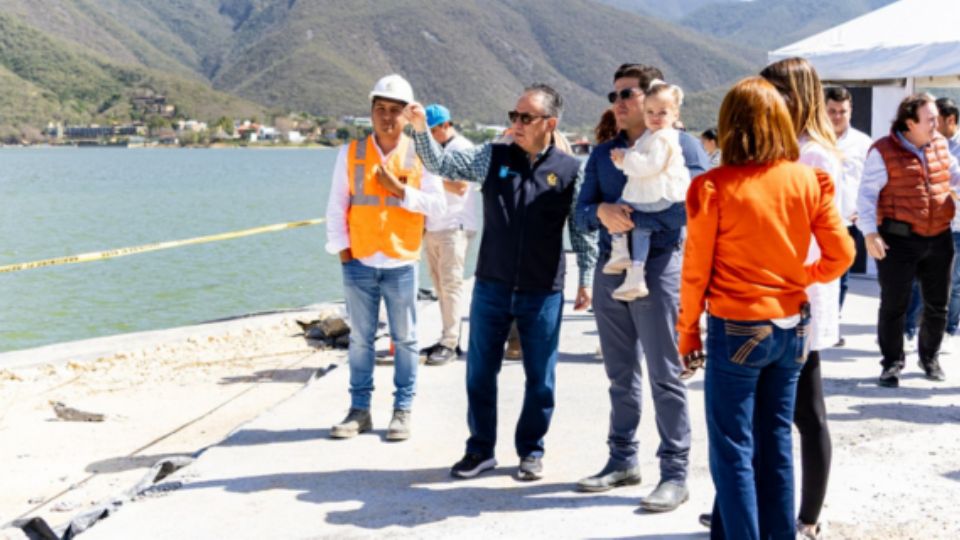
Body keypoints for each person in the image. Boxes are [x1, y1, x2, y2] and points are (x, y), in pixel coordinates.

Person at [679, 76, 854, 540]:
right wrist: (801, 277)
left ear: (729, 125)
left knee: (733, 448)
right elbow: (842, 256)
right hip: (793, 325)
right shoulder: (808, 178)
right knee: (776, 440)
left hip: (737, 325)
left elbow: (695, 270)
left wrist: (687, 332)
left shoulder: (712, 187)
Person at [405, 83, 596, 481]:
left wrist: (587, 279)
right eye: (514, 116)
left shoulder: (569, 170)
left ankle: (531, 450)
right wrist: (421, 129)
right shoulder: (492, 156)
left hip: (543, 289)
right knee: (479, 373)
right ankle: (480, 449)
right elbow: (443, 166)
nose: (517, 124)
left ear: (550, 123)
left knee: (540, 378)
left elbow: (580, 230)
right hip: (492, 285)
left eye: (526, 117)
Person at [575, 63, 708, 513]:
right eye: (614, 96)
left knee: (664, 374)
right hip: (611, 270)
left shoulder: (683, 145)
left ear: (654, 100)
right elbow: (580, 211)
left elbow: (698, 208)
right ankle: (622, 460)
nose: (619, 103)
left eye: (627, 93)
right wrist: (603, 213)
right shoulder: (602, 154)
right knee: (619, 374)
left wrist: (643, 217)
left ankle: (674, 473)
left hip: (659, 267)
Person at [323, 74, 446, 441]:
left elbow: (438, 206)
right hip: (359, 259)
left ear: (409, 115)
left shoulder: (422, 154)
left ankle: (402, 411)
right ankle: (359, 411)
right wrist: (342, 252)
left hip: (401, 261)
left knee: (405, 339)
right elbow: (336, 207)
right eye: (380, 109)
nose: (387, 117)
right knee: (360, 340)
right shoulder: (351, 153)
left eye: (395, 110)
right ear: (371, 113)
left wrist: (401, 191)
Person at [761, 56, 848, 540]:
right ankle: (751, 501)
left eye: (775, 90)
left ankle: (810, 514)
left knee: (806, 410)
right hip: (778, 291)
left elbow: (817, 237)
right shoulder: (789, 146)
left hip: (801, 293)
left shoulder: (815, 153)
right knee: (777, 407)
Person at [857, 92, 960, 387]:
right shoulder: (883, 151)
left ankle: (929, 357)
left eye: (936, 120)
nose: (935, 125)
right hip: (898, 239)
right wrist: (870, 232)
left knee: (937, 304)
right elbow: (866, 195)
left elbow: (953, 176)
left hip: (939, 236)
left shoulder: (940, 145)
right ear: (909, 122)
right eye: (929, 120)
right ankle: (891, 363)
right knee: (894, 304)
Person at [604, 82, 691, 301]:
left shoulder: (663, 137)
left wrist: (626, 159)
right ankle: (635, 274)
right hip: (659, 195)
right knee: (641, 229)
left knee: (620, 206)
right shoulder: (652, 136)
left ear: (675, 114)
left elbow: (650, 164)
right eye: (650, 112)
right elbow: (640, 158)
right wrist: (624, 157)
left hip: (661, 195)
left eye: (662, 112)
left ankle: (619, 250)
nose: (655, 117)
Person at [419, 104, 478, 366]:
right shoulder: (435, 151)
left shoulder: (461, 148)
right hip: (434, 225)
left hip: (455, 225)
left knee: (451, 284)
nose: (430, 137)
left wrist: (430, 174)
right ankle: (447, 337)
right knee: (440, 286)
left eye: (432, 131)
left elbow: (460, 186)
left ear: (446, 125)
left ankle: (450, 343)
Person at [825, 86, 873, 336]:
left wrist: (864, 211)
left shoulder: (863, 143)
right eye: (832, 111)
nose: (837, 116)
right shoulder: (815, 141)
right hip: (819, 219)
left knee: (842, 274)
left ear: (850, 110)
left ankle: (833, 322)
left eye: (842, 111)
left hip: (847, 220)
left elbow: (870, 180)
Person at [936, 97, 960, 345]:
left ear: (950, 120)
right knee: (929, 280)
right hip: (935, 223)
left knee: (955, 282)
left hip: (958, 225)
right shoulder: (930, 145)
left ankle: (950, 327)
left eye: (936, 120)